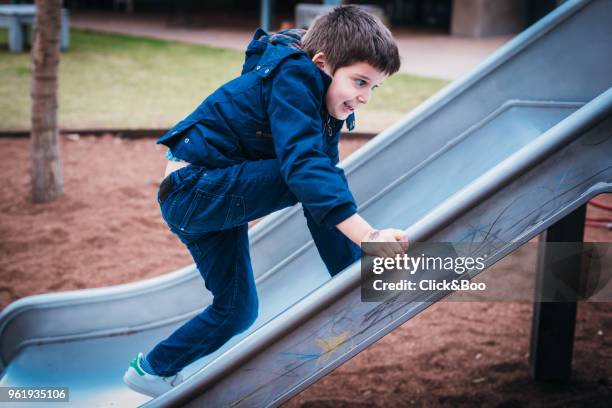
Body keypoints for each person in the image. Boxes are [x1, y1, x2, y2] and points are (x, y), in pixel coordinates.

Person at [123, 5, 408, 397]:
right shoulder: (294, 76)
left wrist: (352, 264)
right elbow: (308, 173)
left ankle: (152, 369)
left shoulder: (323, 98)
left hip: (211, 199)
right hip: (195, 189)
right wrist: (369, 238)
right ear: (323, 63)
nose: (364, 98)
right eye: (359, 82)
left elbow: (321, 178)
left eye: (373, 87)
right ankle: (352, 272)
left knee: (237, 311)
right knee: (308, 177)